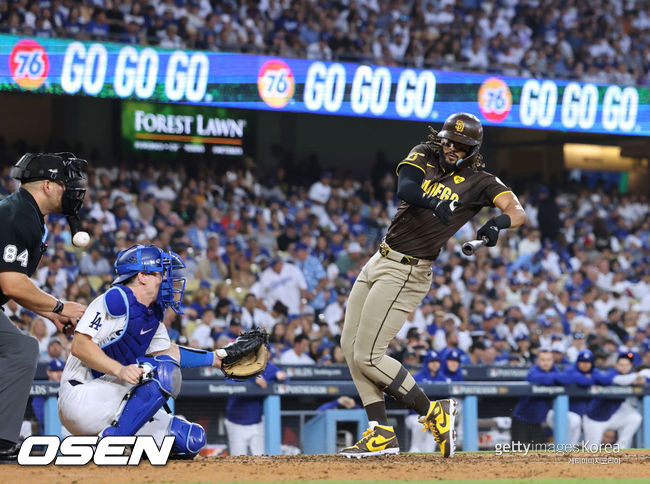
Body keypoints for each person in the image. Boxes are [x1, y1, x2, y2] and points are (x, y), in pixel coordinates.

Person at [340, 113, 526, 458]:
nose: (451, 147)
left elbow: (517, 211)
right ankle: (380, 431)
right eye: (448, 140)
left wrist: (496, 224)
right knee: (349, 347)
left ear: (473, 149)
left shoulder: (480, 181)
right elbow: (406, 188)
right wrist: (435, 202)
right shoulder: (425, 152)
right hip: (379, 259)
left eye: (460, 144)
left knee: (368, 355)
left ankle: (432, 412)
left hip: (408, 271)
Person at [57, 244, 263, 458]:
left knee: (189, 439)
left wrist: (216, 359)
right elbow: (80, 345)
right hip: (81, 396)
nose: (166, 279)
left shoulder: (152, 312)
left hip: (114, 401)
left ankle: (109, 445)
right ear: (142, 276)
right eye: (160, 273)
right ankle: (111, 446)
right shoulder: (116, 299)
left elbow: (168, 351)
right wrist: (120, 370)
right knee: (163, 372)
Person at [0, 152, 88, 462]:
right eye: (68, 184)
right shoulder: (17, 215)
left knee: (22, 349)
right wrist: (61, 305)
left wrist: (53, 314)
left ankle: (2, 439)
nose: (75, 191)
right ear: (48, 186)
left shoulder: (28, 213)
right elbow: (11, 284)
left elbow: (12, 284)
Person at [582, 352, 645, 448]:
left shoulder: (631, 376)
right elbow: (613, 380)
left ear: (631, 366)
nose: (624, 367)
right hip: (595, 418)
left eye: (627, 365)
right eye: (621, 365)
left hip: (613, 417)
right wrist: (636, 377)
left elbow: (646, 378)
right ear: (616, 365)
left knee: (635, 418)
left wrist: (639, 378)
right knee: (591, 450)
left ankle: (620, 448)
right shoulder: (611, 373)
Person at [224, 361, 287, 455]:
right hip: (236, 422)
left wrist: (281, 377)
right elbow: (228, 382)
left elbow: (285, 378)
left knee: (260, 459)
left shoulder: (267, 366)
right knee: (237, 461)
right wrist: (253, 379)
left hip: (257, 422)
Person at [511, 349, 559, 444]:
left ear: (552, 361)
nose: (546, 363)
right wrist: (556, 378)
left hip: (539, 422)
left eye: (549, 360)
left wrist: (556, 377)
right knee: (518, 454)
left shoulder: (555, 371)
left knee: (538, 455)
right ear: (537, 361)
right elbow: (542, 379)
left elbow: (565, 378)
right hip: (522, 419)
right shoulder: (533, 371)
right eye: (543, 360)